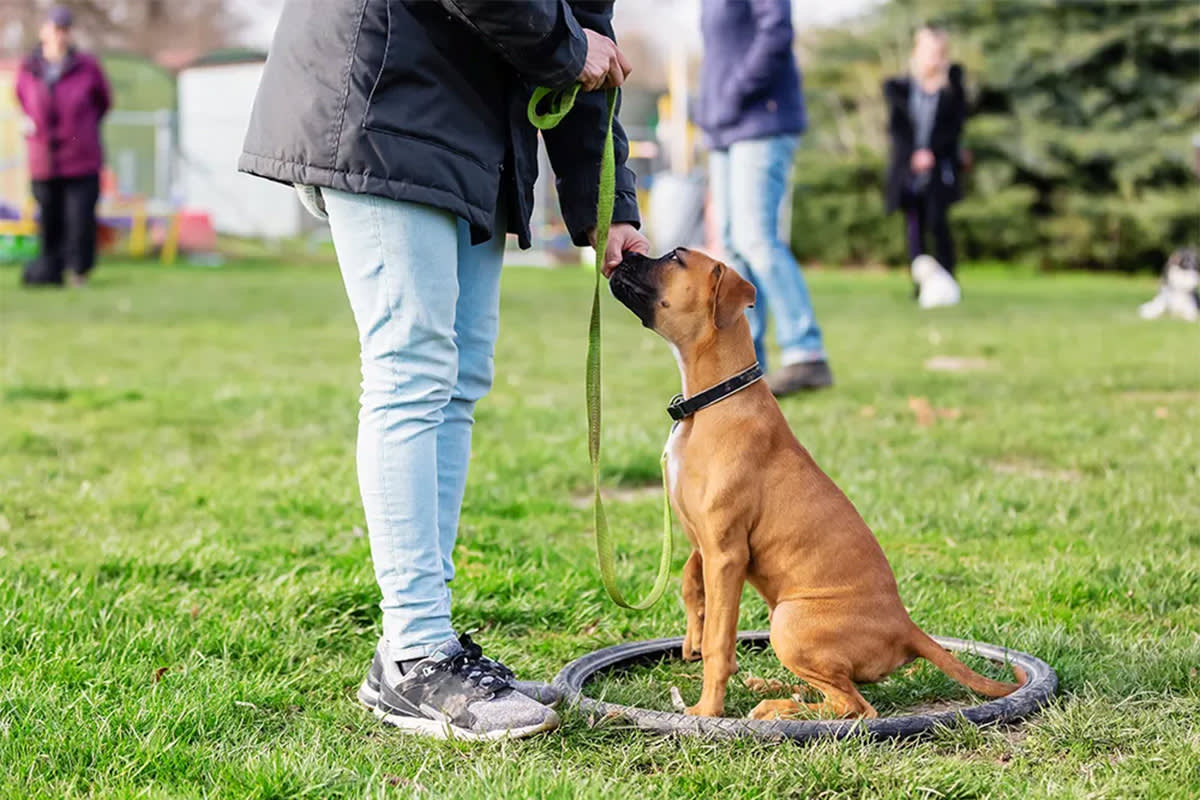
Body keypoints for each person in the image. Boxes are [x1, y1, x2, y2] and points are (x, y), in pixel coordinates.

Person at [239, 1, 649, 740]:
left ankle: (423, 646)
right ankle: (416, 654)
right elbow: (572, 43)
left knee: (456, 380)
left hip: (466, 117)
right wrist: (563, 46)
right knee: (411, 369)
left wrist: (605, 198)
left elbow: (590, 38)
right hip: (385, 89)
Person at [696, 0, 832, 397]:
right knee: (733, 243)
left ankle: (807, 351)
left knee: (756, 238)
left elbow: (776, 33)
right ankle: (748, 362)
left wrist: (735, 91)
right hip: (724, 128)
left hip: (761, 120)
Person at [15, 6, 111, 287]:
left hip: (81, 158)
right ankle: (50, 270)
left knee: (80, 220)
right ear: (43, 30)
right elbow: (22, 101)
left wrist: (80, 131)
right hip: (44, 160)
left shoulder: (87, 66)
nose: (59, 35)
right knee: (49, 218)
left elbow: (103, 102)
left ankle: (78, 272)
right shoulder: (29, 68)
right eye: (54, 28)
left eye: (64, 29)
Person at [884, 26, 968, 294]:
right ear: (916, 53)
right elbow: (898, 130)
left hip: (939, 168)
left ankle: (948, 281)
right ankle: (921, 284)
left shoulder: (951, 90)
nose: (931, 58)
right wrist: (913, 155)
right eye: (926, 52)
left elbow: (954, 128)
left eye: (937, 53)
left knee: (938, 223)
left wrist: (932, 152)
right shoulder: (901, 89)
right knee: (914, 226)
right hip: (909, 169)